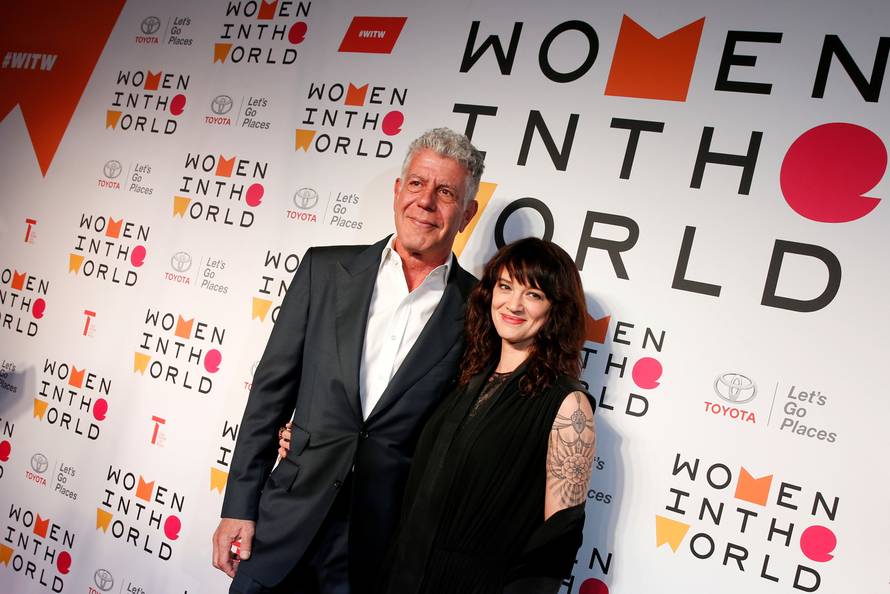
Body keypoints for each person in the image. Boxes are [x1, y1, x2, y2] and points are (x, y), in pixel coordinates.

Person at [212, 128, 484, 594]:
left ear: (466, 215)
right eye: (417, 184)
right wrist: (239, 505)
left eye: (446, 192)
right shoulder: (324, 270)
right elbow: (269, 395)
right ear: (397, 191)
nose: (426, 202)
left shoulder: (478, 309)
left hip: (378, 550)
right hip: (283, 522)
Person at [280, 237, 596, 593]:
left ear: (556, 309)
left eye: (534, 294)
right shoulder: (467, 379)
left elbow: (558, 537)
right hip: (400, 575)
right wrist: (317, 440)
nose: (514, 304)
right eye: (506, 287)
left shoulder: (567, 404)